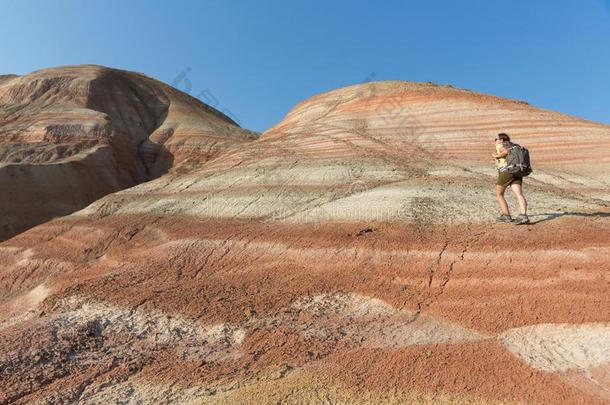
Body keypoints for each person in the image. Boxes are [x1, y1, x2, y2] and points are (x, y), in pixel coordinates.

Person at [493, 133, 529, 224]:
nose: (495, 140)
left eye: (496, 138)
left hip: (506, 172)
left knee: (499, 194)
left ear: (501, 139)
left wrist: (496, 156)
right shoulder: (514, 145)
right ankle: (524, 215)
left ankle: (506, 215)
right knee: (519, 194)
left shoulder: (501, 145)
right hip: (517, 171)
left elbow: (505, 152)